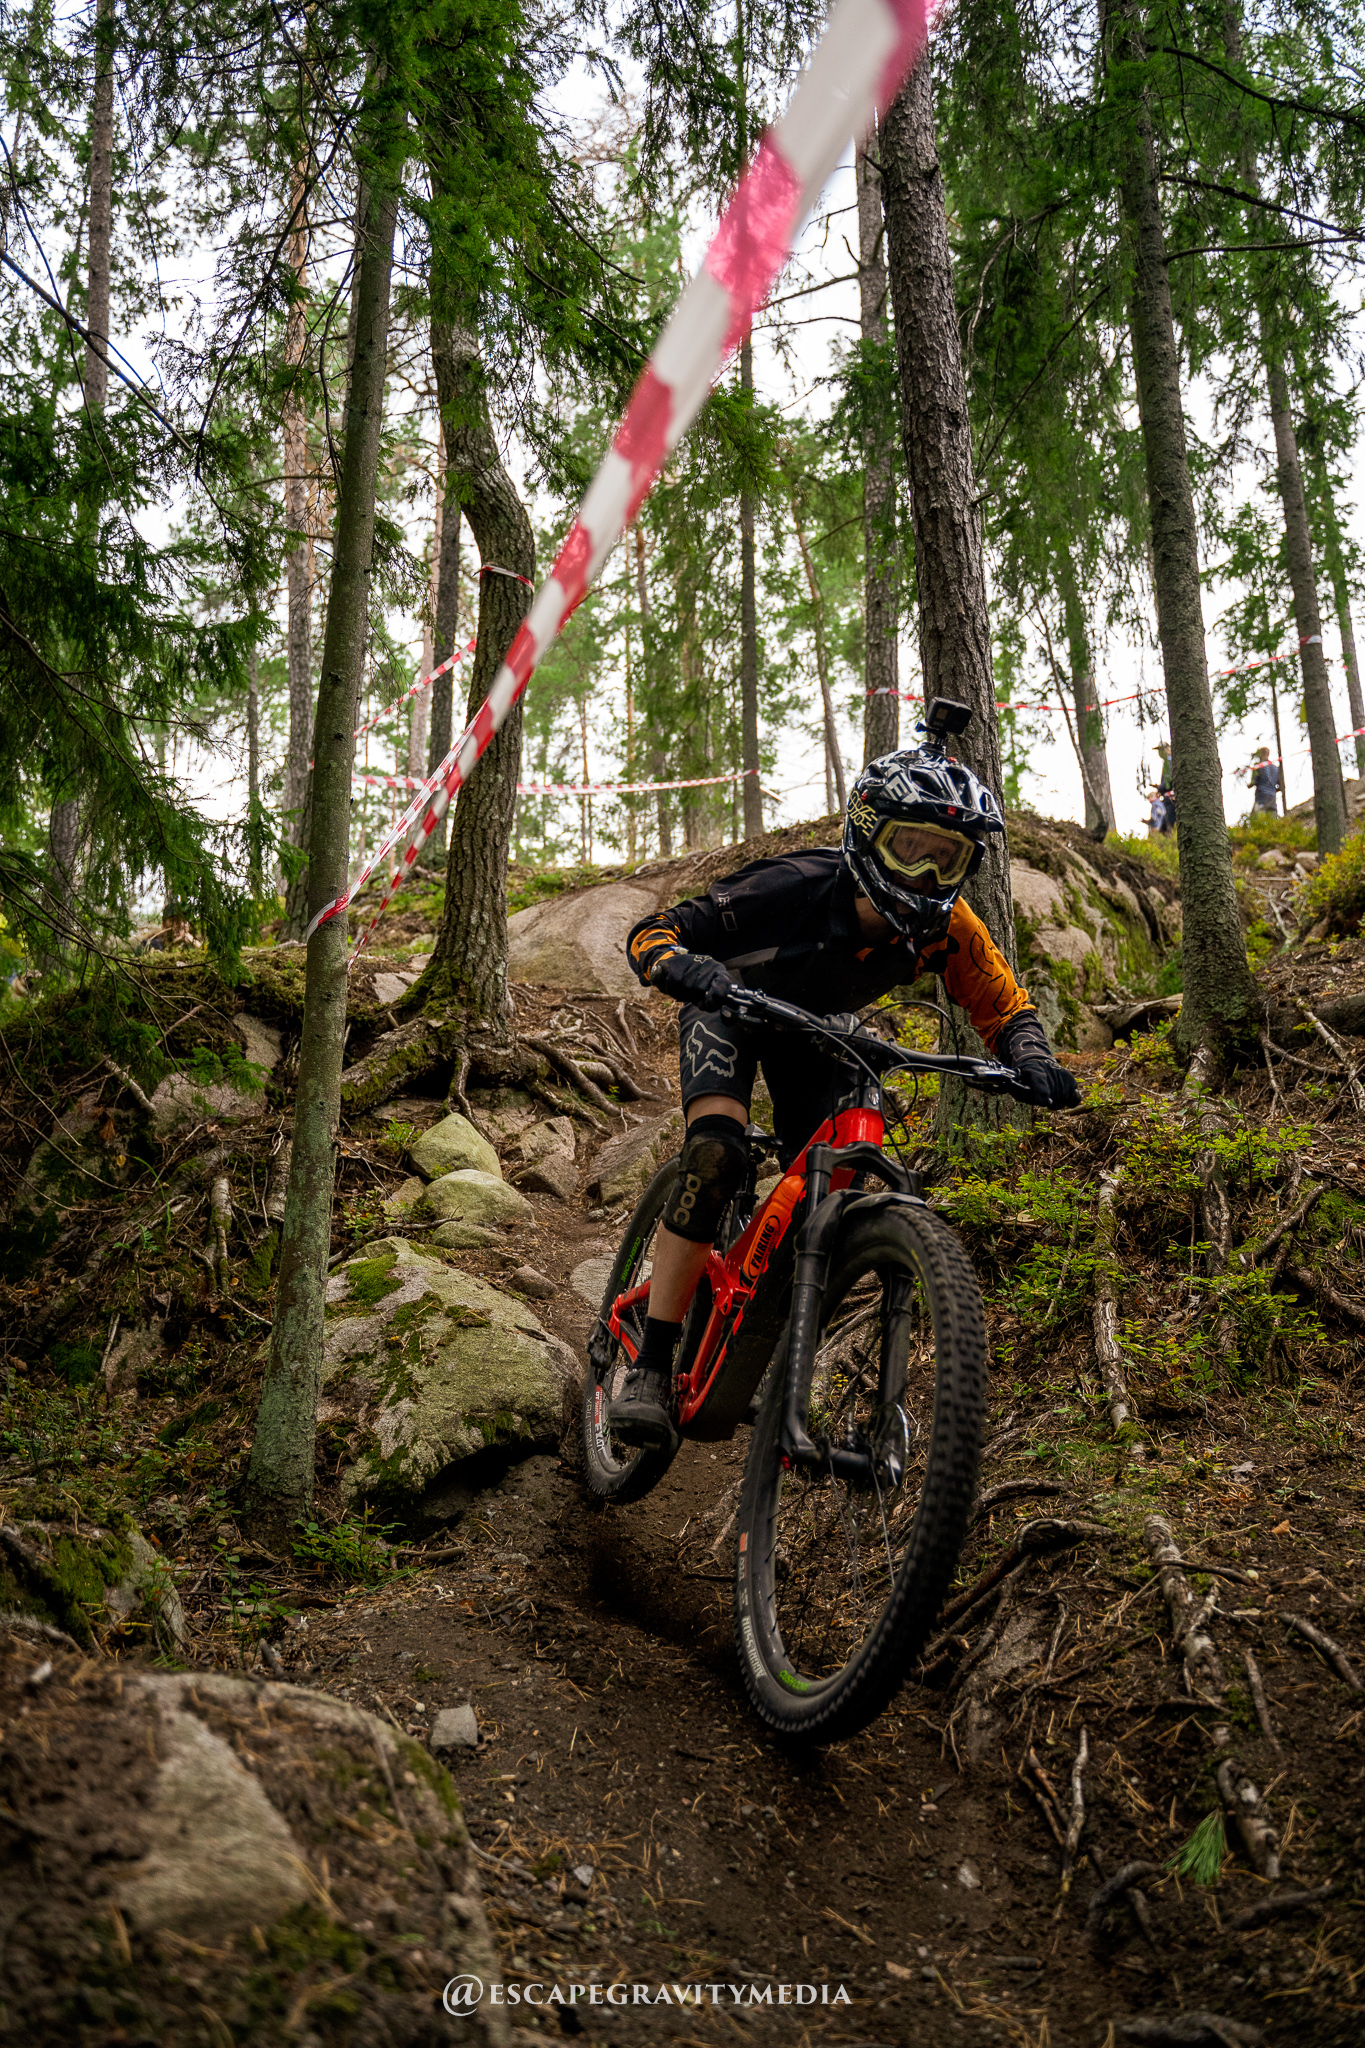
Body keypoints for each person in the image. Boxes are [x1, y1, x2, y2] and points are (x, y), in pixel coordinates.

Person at [611, 728, 1081, 1446]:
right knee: (716, 1157)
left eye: (946, 859)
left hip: (820, 1031)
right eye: (909, 850)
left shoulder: (949, 927)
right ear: (867, 836)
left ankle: (766, 1336)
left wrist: (1031, 1056)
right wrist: (680, 965)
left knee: (830, 1193)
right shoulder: (792, 886)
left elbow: (1004, 1006)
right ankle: (651, 1362)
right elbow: (657, 930)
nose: (925, 877)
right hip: (729, 1008)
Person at [1246, 746, 1280, 817]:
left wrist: (1248, 785)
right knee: (1272, 818)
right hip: (1272, 797)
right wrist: (1273, 790)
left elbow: (1253, 782)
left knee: (1256, 818)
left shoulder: (1258, 766)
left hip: (1261, 797)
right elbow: (1280, 786)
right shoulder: (1276, 768)